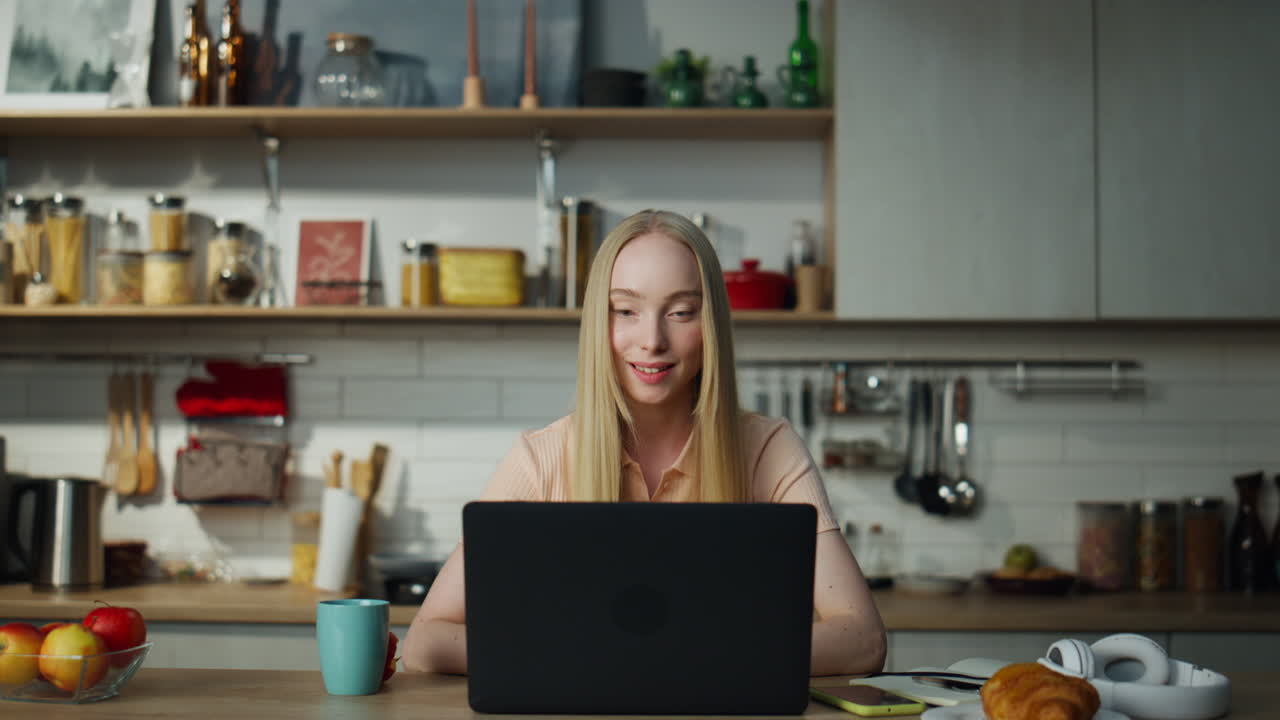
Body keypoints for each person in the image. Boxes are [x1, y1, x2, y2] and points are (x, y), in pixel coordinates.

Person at [402, 209, 886, 676]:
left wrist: (667, 653)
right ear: (599, 323)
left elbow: (862, 639)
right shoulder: (539, 457)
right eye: (625, 310)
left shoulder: (770, 448)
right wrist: (605, 652)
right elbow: (426, 641)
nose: (651, 340)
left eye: (680, 312)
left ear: (711, 323)